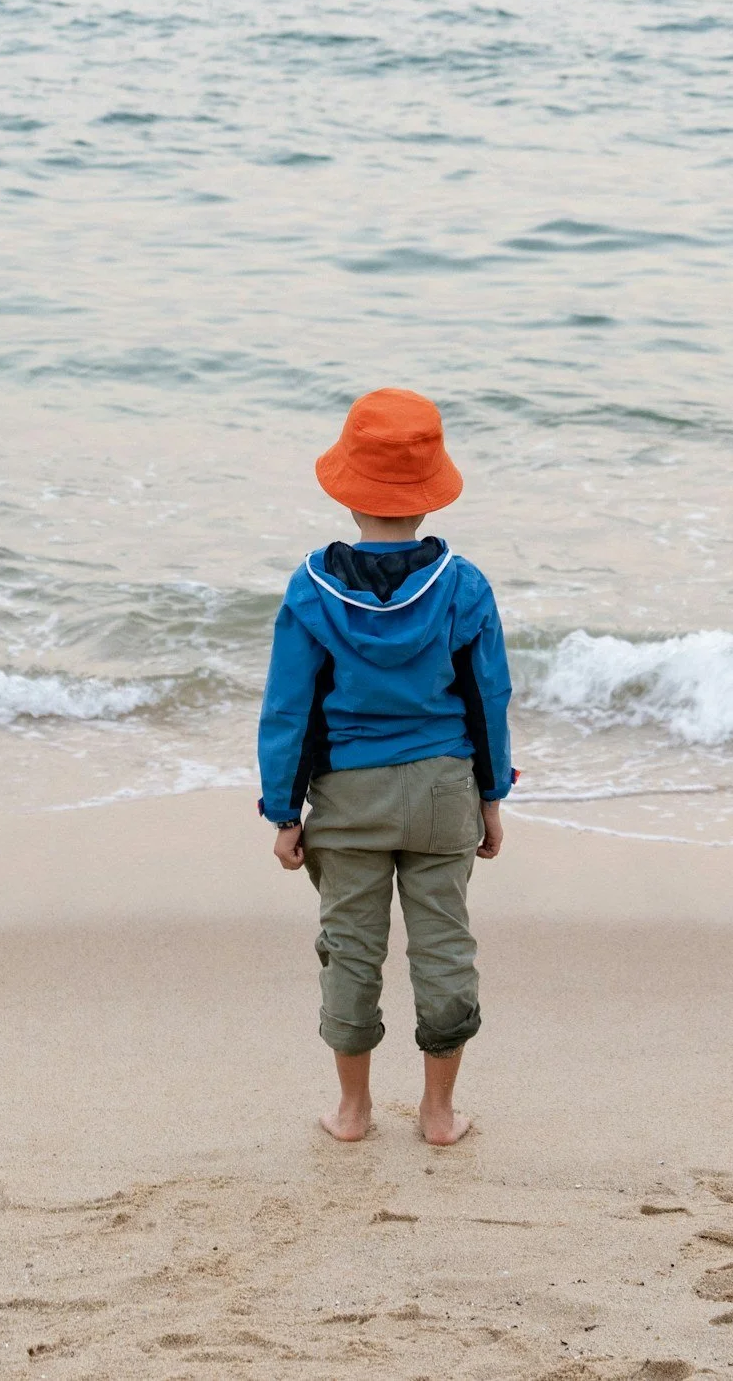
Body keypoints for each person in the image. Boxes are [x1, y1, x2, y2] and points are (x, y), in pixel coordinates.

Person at [257, 388, 516, 1146]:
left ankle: (353, 1111)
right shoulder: (463, 586)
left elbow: (288, 709)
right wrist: (491, 797)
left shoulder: (311, 588)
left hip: (347, 797)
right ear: (430, 495)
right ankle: (438, 1114)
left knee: (350, 948)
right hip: (442, 790)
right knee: (444, 947)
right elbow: (486, 697)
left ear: (345, 488)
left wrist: (284, 811)